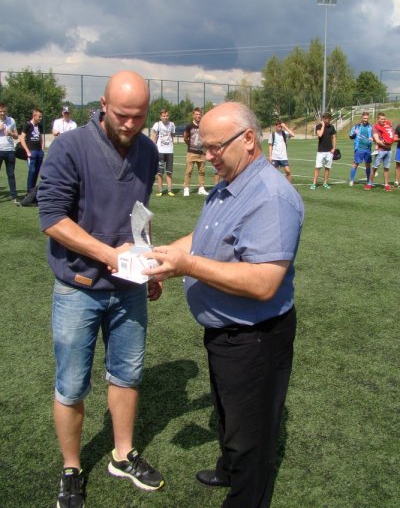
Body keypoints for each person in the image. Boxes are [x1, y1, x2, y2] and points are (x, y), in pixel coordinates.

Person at [143, 102, 304, 508]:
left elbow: (264, 282)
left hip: (255, 338)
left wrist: (187, 266)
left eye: (216, 147)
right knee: (229, 414)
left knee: (251, 435)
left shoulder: (270, 196)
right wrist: (161, 261)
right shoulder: (230, 181)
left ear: (248, 139)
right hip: (225, 332)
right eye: (204, 146)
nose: (208, 155)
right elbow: (203, 237)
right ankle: (230, 468)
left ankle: (245, 495)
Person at [37, 71, 165, 508]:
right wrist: (110, 255)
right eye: (122, 114)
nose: (130, 124)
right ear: (103, 105)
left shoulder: (148, 150)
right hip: (78, 287)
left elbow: (139, 214)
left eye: (139, 116)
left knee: (128, 375)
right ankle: (71, 467)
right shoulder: (70, 147)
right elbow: (52, 218)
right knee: (72, 384)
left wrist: (146, 264)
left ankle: (123, 455)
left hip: (129, 287)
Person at [183, 107, 208, 196]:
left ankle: (201, 188)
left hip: (202, 152)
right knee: (188, 171)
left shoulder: (204, 125)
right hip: (191, 152)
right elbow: (185, 138)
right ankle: (186, 188)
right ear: (193, 115)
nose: (198, 116)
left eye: (200, 114)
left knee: (202, 171)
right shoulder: (189, 126)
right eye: (196, 114)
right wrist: (191, 145)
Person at [364, 112, 393, 191]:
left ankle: (386, 184)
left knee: (386, 168)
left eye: (384, 119)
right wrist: (387, 146)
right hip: (380, 151)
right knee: (374, 167)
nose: (383, 121)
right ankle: (369, 183)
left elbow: (391, 137)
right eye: (382, 119)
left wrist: (389, 144)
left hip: (388, 151)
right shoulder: (375, 128)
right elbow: (377, 140)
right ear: (378, 119)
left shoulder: (387, 127)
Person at [151, 108, 175, 196]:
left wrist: (171, 146)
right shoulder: (157, 125)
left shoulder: (172, 125)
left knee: (169, 172)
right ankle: (160, 191)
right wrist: (153, 148)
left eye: (167, 116)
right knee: (160, 173)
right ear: (160, 117)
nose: (165, 117)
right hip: (160, 152)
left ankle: (169, 190)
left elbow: (172, 136)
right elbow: (153, 137)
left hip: (169, 151)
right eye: (164, 116)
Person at [20, 108, 44, 193]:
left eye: (41, 117)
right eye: (39, 117)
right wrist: (27, 151)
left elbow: (40, 137)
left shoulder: (40, 126)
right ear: (34, 116)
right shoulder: (27, 125)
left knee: (36, 172)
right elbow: (22, 139)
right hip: (31, 151)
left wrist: (42, 149)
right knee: (32, 171)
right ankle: (29, 192)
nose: (41, 118)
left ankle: (33, 191)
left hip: (39, 152)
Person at [310, 113, 336, 190]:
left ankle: (325, 183)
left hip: (329, 151)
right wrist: (323, 126)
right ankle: (314, 183)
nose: (327, 120)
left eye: (328, 119)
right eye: (325, 119)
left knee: (327, 168)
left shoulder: (332, 127)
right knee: (317, 167)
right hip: (321, 151)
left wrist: (334, 148)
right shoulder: (319, 126)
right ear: (323, 119)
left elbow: (334, 137)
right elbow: (320, 135)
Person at [0, 101, 20, 204]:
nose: (2, 113)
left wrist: (11, 133)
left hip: (10, 151)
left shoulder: (11, 120)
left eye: (4, 111)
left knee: (11, 174)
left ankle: (14, 196)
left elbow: (17, 136)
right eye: (0, 111)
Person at [349, 111, 373, 186]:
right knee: (355, 164)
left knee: (368, 164)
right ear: (362, 118)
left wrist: (372, 139)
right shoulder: (356, 126)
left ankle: (368, 181)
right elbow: (351, 137)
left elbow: (373, 136)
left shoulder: (370, 127)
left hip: (368, 149)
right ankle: (351, 180)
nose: (366, 120)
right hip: (359, 149)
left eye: (367, 118)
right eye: (364, 118)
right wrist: (354, 133)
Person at [393, 122, 400, 187]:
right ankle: (396, 181)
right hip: (399, 148)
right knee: (398, 165)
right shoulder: (398, 127)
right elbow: (395, 138)